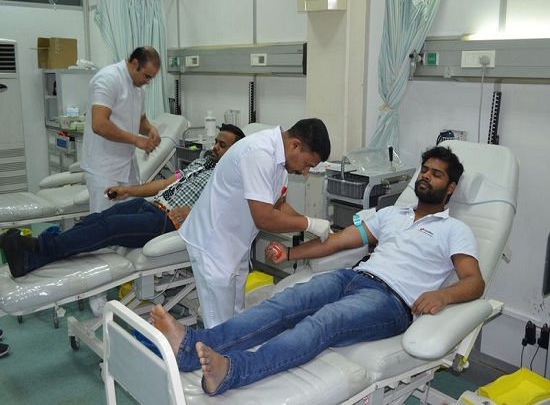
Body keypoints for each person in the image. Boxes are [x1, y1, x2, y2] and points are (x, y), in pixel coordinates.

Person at [149, 145, 485, 396]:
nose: (425, 176)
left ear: (450, 188)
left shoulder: (454, 230)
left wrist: (443, 295)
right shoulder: (392, 215)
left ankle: (233, 371)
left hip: (391, 302)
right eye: (424, 170)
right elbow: (338, 242)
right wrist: (290, 253)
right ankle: (190, 346)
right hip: (353, 277)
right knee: (283, 304)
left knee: (323, 322)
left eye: (436, 174)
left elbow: (474, 281)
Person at [0, 125, 245, 280]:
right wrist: (128, 191)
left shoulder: (231, 179)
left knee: (107, 229)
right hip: (151, 205)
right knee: (96, 219)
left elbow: (228, 211)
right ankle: (30, 259)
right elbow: (163, 183)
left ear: (235, 151)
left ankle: (37, 246)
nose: (215, 147)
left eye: (222, 145)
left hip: (166, 221)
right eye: (216, 142)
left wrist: (193, 212)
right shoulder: (202, 163)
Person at [179, 118, 332, 328]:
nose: (305, 172)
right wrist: (308, 224)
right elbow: (264, 218)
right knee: (218, 326)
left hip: (236, 244)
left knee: (236, 317)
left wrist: (312, 225)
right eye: (307, 165)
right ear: (295, 145)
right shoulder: (259, 153)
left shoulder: (281, 162)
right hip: (213, 244)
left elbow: (278, 206)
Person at [80, 46, 162, 213]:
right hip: (104, 168)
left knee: (130, 220)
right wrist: (136, 140)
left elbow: (140, 120)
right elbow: (99, 125)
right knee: (104, 222)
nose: (148, 82)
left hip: (127, 166)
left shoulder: (139, 88)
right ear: (134, 63)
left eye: (151, 78)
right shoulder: (108, 79)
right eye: (146, 76)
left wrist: (150, 130)